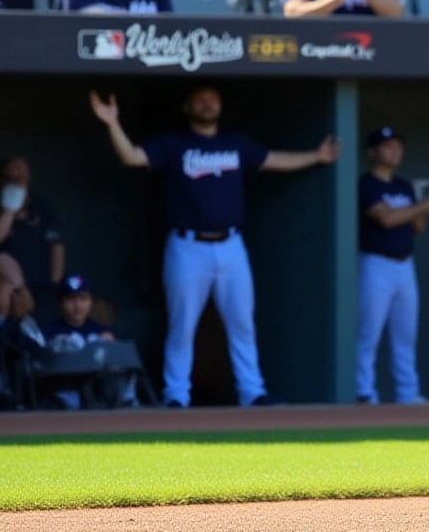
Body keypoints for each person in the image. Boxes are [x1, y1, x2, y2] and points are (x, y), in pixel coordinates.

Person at [88, 85, 341, 408]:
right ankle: (176, 394)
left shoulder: (236, 143)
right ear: (187, 106)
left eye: (212, 99)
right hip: (187, 245)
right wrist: (113, 124)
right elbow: (132, 156)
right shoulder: (174, 143)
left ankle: (252, 391)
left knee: (242, 323)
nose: (207, 104)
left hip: (232, 244)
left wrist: (317, 156)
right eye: (200, 99)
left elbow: (272, 159)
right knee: (182, 326)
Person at [355, 126, 429, 405]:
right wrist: (427, 205)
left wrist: (425, 208)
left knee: (406, 335)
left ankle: (407, 393)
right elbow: (386, 219)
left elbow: (418, 226)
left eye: (398, 145)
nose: (395, 150)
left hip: (404, 265)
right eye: (388, 145)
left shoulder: (403, 186)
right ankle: (364, 391)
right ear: (372, 152)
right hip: (375, 263)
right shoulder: (367, 184)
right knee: (368, 333)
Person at [40, 273, 138, 409]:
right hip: (66, 395)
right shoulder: (48, 332)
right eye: (71, 299)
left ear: (91, 302)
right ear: (60, 303)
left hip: (103, 393)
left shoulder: (102, 331)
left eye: (83, 299)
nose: (78, 305)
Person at [0, 158, 63, 320]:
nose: (21, 174)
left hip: (41, 285)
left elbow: (57, 247)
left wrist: (55, 283)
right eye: (15, 169)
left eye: (24, 170)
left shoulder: (42, 207)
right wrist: (10, 209)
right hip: (8, 285)